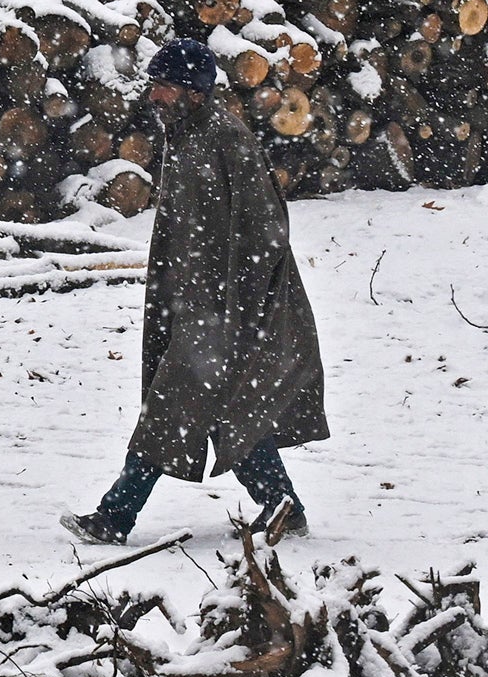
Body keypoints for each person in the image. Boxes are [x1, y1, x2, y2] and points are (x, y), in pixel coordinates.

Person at [63, 35, 326, 547]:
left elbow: (268, 229)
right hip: (198, 306)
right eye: (155, 86)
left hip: (230, 309)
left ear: (196, 92)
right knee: (229, 408)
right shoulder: (185, 136)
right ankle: (282, 506)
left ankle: (114, 517)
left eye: (166, 87)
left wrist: (236, 303)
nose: (155, 98)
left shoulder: (227, 140)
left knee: (173, 407)